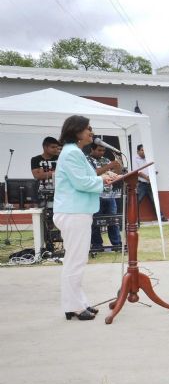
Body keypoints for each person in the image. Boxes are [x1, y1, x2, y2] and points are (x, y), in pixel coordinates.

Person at [53, 115, 117, 321]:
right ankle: (74, 307)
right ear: (77, 131)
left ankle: (79, 303)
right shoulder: (71, 153)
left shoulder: (75, 152)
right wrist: (102, 180)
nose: (92, 132)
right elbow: (82, 183)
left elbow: (88, 179)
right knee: (75, 261)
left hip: (78, 212)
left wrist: (105, 178)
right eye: (88, 129)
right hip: (73, 213)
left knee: (77, 260)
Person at [86, 142, 122, 252]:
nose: (102, 153)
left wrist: (118, 166)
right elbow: (93, 173)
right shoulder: (87, 160)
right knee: (95, 221)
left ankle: (117, 244)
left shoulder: (106, 160)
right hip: (95, 195)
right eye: (99, 150)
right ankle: (97, 245)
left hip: (109, 194)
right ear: (92, 149)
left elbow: (114, 174)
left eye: (103, 151)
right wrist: (110, 165)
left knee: (113, 221)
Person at [133, 145, 166, 222]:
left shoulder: (149, 158)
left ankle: (161, 217)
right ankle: (133, 218)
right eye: (142, 150)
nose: (144, 152)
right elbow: (137, 172)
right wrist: (147, 177)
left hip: (151, 184)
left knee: (155, 200)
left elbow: (154, 170)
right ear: (138, 151)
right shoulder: (135, 158)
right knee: (137, 201)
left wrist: (154, 173)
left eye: (145, 150)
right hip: (141, 184)